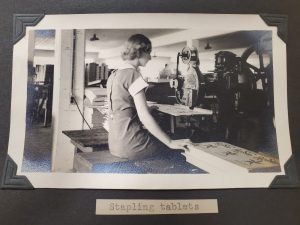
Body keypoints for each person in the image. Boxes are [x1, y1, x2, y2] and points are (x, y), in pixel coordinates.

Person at [107, 34, 190, 160]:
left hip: (115, 145)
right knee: (177, 150)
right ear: (140, 52)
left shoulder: (114, 75)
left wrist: (148, 109)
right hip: (132, 146)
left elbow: (120, 110)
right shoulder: (133, 75)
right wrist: (170, 143)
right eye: (149, 52)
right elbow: (144, 117)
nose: (150, 57)